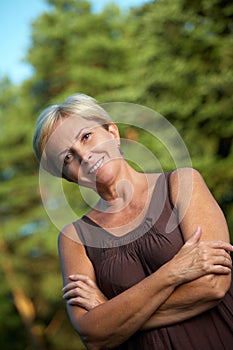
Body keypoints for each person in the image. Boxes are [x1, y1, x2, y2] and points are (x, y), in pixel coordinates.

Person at [33, 93, 233, 350]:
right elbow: (93, 336)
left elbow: (213, 285)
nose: (84, 155)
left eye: (86, 136)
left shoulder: (183, 183)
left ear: (113, 133)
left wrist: (111, 314)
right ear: (66, 176)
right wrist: (171, 274)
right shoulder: (74, 238)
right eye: (68, 158)